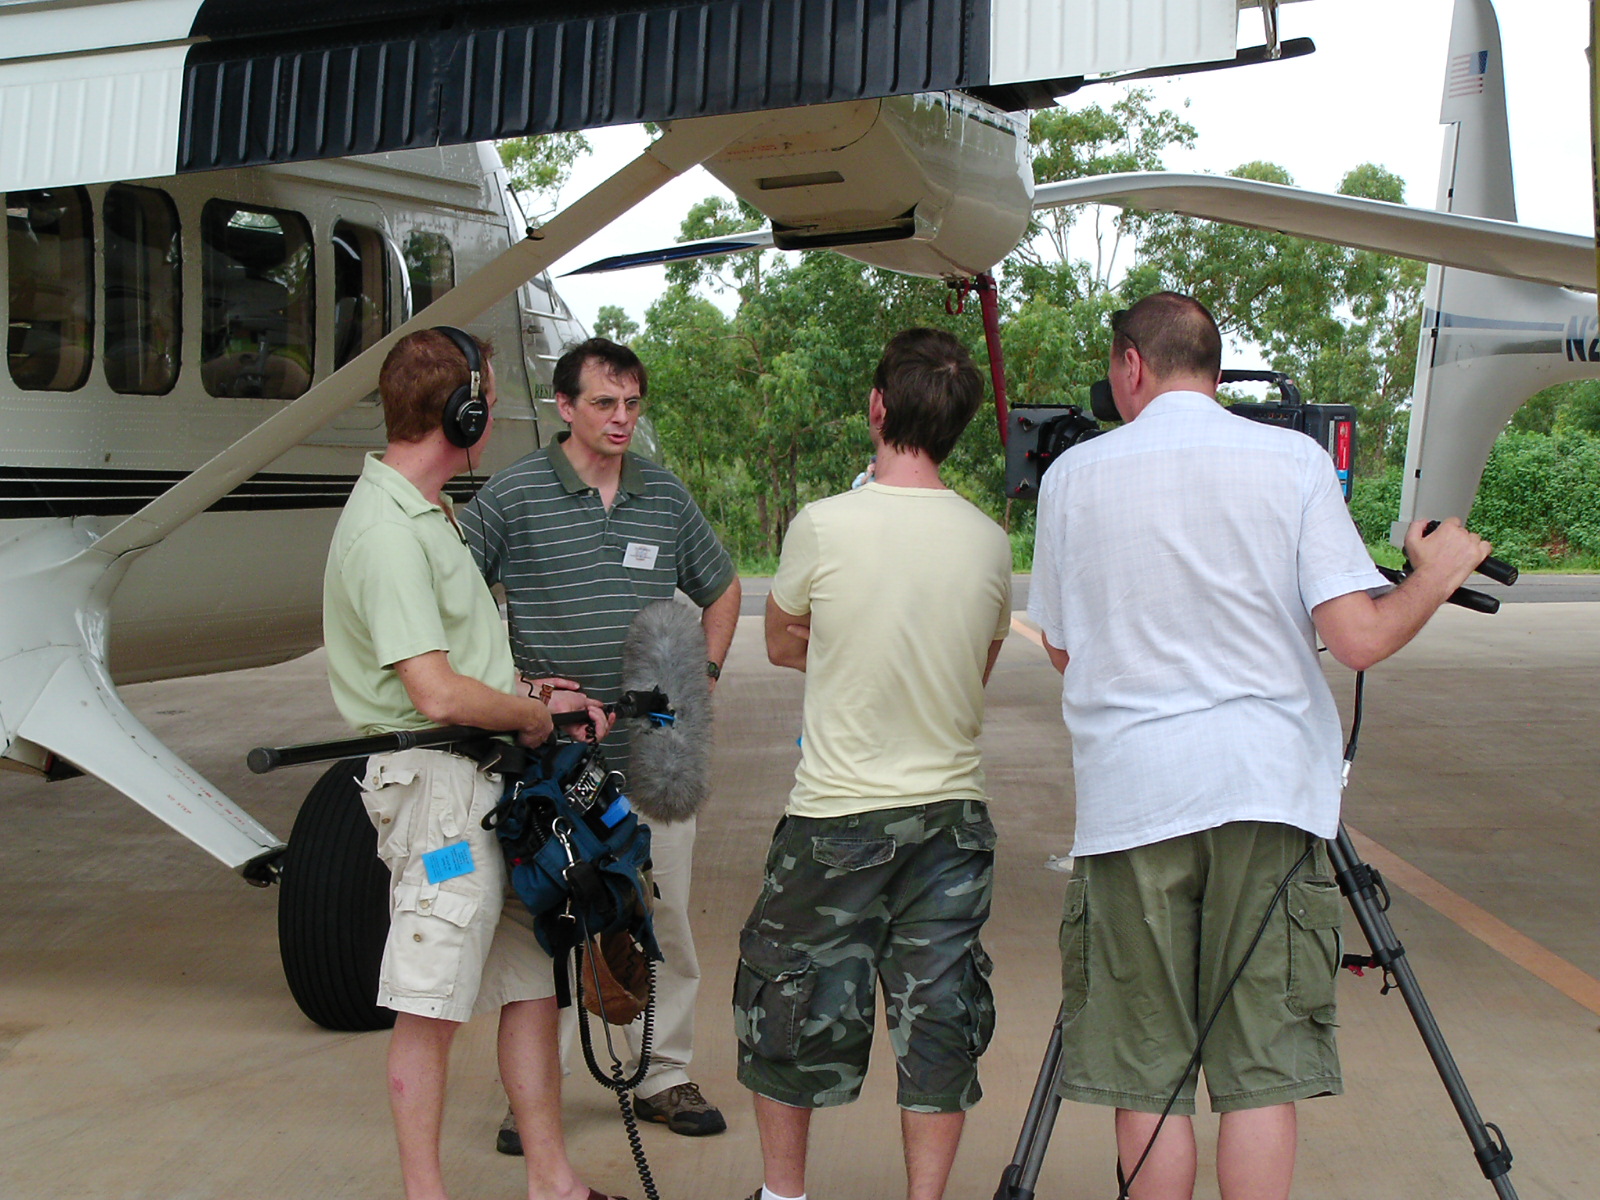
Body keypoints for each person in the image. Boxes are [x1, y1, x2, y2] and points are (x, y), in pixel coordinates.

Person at [1027, 292, 1492, 1200]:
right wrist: (1432, 576)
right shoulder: (1293, 461)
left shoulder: (1075, 477)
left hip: (1132, 802)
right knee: (1259, 1068)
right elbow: (1355, 638)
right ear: (1214, 365)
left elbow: (1061, 645)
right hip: (1268, 794)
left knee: (1147, 1073)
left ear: (1131, 366)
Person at [322, 326, 623, 1200]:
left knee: (530, 982)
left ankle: (553, 1182)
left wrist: (529, 691)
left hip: (487, 789)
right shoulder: (385, 531)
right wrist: (530, 714)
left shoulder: (432, 515)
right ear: (467, 410)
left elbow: (462, 673)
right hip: (441, 814)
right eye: (488, 395)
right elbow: (436, 693)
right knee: (430, 995)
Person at [740, 328, 1014, 1200]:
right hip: (952, 820)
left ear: (877, 407)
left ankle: (785, 1197)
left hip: (837, 817)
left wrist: (848, 643)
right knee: (939, 1017)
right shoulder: (987, 540)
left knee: (788, 1001)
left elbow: (783, 642)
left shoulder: (823, 524)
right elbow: (976, 668)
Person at [461, 337, 741, 1145]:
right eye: (606, 404)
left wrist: (706, 674)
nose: (623, 419)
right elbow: (454, 600)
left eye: (633, 403)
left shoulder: (663, 495)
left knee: (668, 917)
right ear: (566, 408)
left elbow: (720, 589)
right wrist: (519, 692)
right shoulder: (512, 498)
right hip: (555, 762)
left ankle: (665, 1075)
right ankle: (533, 1093)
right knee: (545, 926)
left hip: (656, 756)